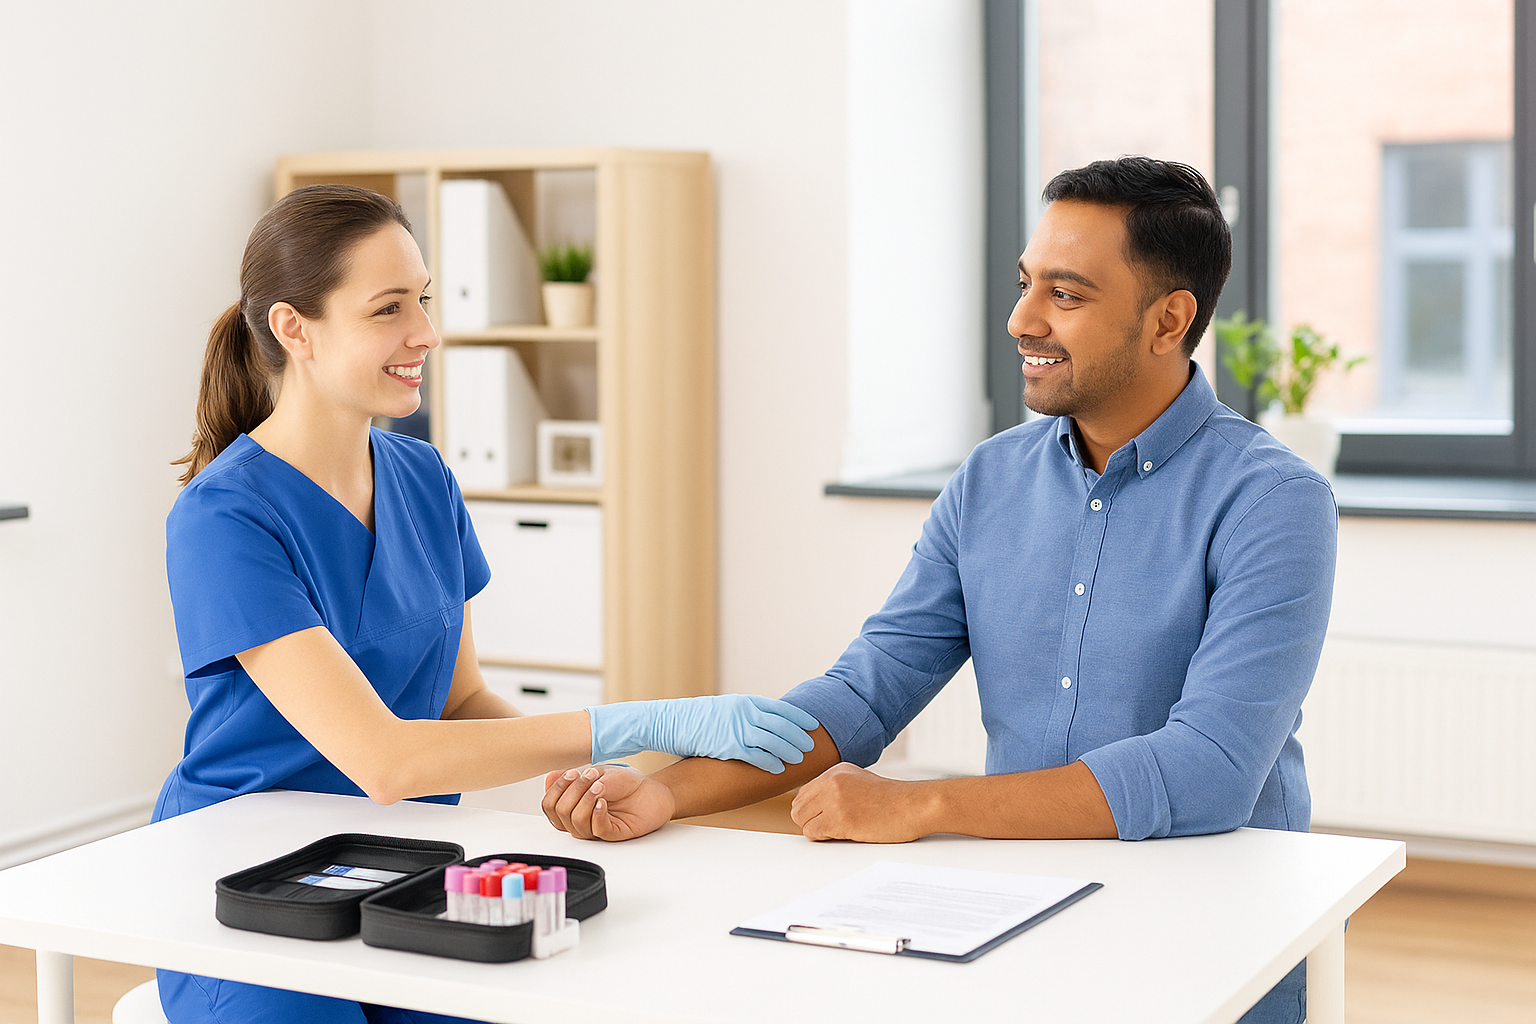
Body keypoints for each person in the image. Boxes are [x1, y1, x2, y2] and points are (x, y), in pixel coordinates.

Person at [542, 157, 1336, 1024]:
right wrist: (666, 790)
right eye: (1027, 283)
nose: (1021, 319)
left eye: (1065, 296)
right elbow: (862, 694)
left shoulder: (1273, 500)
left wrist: (921, 804)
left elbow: (1209, 771)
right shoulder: (992, 479)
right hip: (1023, 906)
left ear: (1168, 319)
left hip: (1218, 928)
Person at [155, 183, 817, 1024]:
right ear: (295, 328)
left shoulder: (422, 477)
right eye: (388, 308)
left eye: (424, 300)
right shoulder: (225, 518)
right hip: (251, 891)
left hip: (403, 873)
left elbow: (460, 701)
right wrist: (643, 721)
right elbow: (385, 761)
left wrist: (574, 773)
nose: (424, 333)